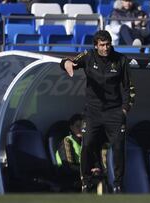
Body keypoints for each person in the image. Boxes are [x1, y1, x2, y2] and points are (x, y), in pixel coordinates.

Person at [60, 30, 135, 193]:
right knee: (87, 145)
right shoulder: (88, 56)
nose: (106, 48)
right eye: (102, 45)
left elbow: (129, 88)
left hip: (115, 112)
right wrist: (66, 63)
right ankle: (86, 183)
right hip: (93, 112)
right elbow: (69, 61)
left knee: (118, 147)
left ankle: (118, 185)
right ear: (96, 46)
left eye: (108, 44)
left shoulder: (121, 60)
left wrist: (124, 109)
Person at [55, 114, 102, 191]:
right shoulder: (67, 141)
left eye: (83, 127)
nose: (81, 129)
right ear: (71, 127)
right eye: (78, 126)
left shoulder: (87, 142)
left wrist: (97, 169)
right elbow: (68, 167)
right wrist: (88, 172)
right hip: (69, 178)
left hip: (85, 176)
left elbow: (95, 159)